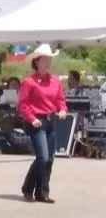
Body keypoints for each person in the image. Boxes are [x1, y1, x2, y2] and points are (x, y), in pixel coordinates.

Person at [18, 45, 68, 204]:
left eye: (49, 59)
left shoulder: (55, 81)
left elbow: (61, 100)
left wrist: (62, 110)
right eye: (45, 59)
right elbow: (22, 105)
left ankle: (42, 192)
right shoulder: (29, 82)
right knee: (43, 157)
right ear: (36, 61)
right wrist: (32, 118)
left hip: (50, 120)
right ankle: (28, 188)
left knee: (49, 158)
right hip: (36, 122)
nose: (48, 62)